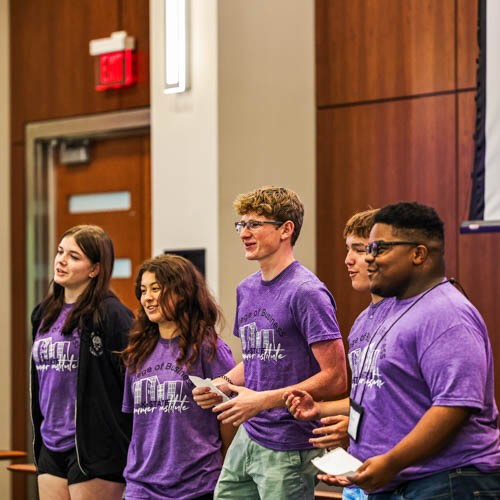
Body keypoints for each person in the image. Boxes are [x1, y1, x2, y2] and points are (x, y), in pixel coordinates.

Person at [322, 201, 500, 497]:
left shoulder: (446, 312)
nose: (369, 259)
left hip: (445, 481)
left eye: (379, 249)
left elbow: (454, 406)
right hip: (394, 482)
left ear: (418, 254)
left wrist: (391, 462)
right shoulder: (389, 313)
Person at [193, 186, 347, 499]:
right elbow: (258, 359)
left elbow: (335, 377)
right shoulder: (246, 289)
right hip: (249, 435)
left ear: (286, 230)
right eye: (241, 225)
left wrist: (263, 400)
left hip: (289, 443)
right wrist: (222, 383)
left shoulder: (306, 292)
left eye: (254, 224)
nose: (244, 233)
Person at [286, 208, 387, 500]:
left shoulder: (414, 317)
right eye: (347, 249)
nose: (348, 260)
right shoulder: (361, 324)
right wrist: (320, 410)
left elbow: (412, 406)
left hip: (407, 476)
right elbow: (366, 396)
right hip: (362, 470)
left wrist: (356, 431)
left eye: (358, 249)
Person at [31, 225, 134, 499]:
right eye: (60, 252)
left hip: (96, 447)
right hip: (51, 442)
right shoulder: (44, 313)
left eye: (74, 256)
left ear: (95, 269)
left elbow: (131, 380)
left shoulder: (112, 315)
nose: (61, 260)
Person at [121, 254, 236, 500]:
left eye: (156, 289)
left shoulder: (208, 347)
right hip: (141, 485)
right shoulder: (137, 352)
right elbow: (136, 423)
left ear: (181, 293)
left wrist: (223, 465)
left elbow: (230, 417)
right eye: (143, 290)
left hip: (195, 485)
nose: (147, 298)